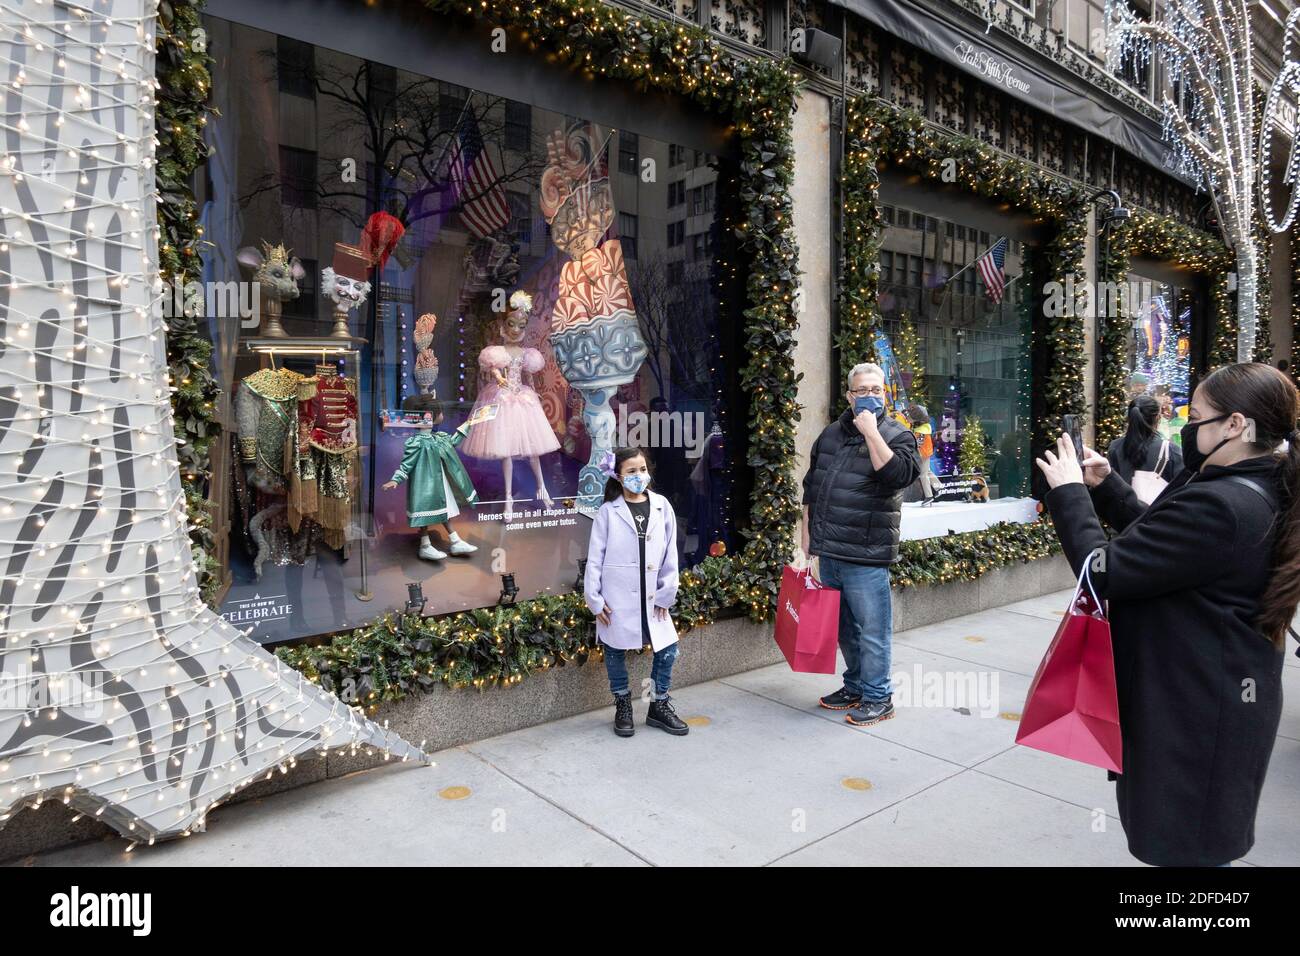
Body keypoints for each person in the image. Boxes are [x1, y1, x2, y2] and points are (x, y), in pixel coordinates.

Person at [1036, 362, 1300, 867]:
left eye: (1196, 415)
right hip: (1208, 697)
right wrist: (1107, 486)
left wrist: (1068, 493)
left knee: (1188, 852)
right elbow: (1168, 546)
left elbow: (1104, 570)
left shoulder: (1225, 503)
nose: (1186, 425)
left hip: (1194, 713)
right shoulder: (1246, 484)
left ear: (1235, 425)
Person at [801, 362, 921, 726]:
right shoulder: (830, 435)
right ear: (849, 395)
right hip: (830, 551)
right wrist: (807, 541)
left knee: (872, 629)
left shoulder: (898, 435)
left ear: (885, 393)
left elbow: (896, 476)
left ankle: (878, 696)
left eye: (876, 390)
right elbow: (812, 486)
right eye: (862, 391)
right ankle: (854, 685)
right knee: (844, 629)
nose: (869, 396)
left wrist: (872, 433)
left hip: (866, 555)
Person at [584, 446, 687, 738]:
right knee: (614, 649)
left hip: (654, 598)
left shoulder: (661, 505)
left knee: (668, 649)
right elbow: (595, 558)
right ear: (618, 476)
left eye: (642, 470)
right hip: (617, 598)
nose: (639, 476)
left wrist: (668, 591)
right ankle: (623, 704)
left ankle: (658, 703)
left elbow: (671, 552)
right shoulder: (608, 511)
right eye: (631, 471)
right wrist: (595, 599)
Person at [1105, 394, 1183, 485]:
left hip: (1123, 498)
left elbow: (1110, 483)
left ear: (1129, 418)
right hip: (1160, 499)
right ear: (1158, 418)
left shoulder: (1115, 446)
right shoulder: (1171, 451)